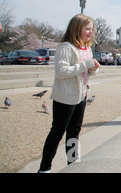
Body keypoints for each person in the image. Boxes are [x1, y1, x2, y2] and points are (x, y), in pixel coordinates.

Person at [38, 14, 100, 173]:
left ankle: (72, 164)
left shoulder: (87, 48)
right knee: (57, 132)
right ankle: (45, 168)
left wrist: (93, 69)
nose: (90, 32)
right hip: (65, 97)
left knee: (74, 131)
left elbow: (85, 71)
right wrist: (86, 64)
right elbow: (61, 71)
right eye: (87, 28)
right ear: (76, 28)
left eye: (92, 29)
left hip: (82, 95)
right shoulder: (66, 47)